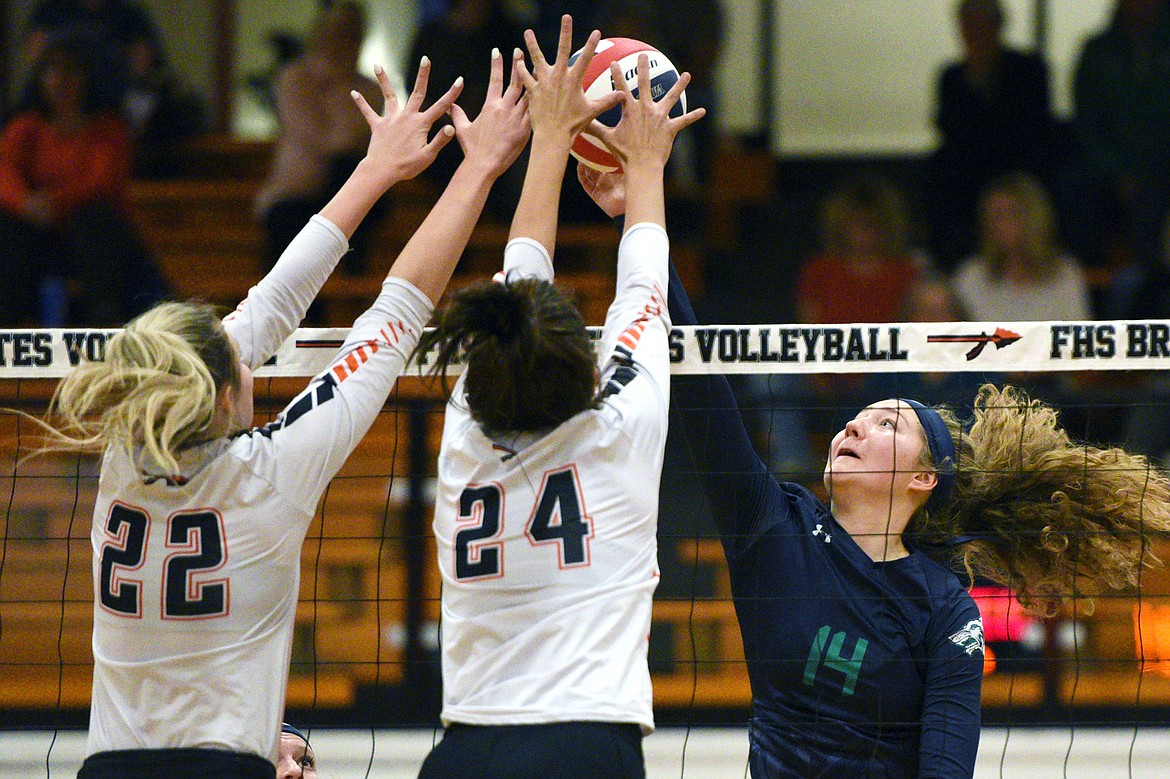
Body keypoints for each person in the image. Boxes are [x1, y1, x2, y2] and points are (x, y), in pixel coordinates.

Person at [28, 50, 529, 777]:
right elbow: (392, 315)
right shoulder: (268, 474)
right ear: (225, 393)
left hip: (109, 768)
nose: (248, 348)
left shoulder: (123, 459)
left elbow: (266, 312)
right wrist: (477, 168)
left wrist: (377, 168)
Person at [577, 166, 1170, 778]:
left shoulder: (945, 609)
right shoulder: (773, 528)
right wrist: (635, 213)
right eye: (856, 418)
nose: (854, 427)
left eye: (887, 425)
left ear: (924, 478)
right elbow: (698, 377)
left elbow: (945, 768)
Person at [414, 17, 702, 778]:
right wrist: (645, 163)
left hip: (464, 748)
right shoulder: (618, 431)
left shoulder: (465, 435)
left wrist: (551, 140)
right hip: (582, 742)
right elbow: (642, 285)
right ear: (582, 364)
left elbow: (523, 281)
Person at [0, 38, 162, 326]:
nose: (61, 80)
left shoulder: (108, 130)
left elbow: (98, 184)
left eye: (71, 71)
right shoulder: (26, 127)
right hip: (37, 237)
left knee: (94, 221)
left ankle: (103, 325)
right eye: (53, 70)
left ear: (88, 78)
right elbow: (4, 171)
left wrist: (52, 203)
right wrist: (25, 203)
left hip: (95, 242)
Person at [254, 1, 386, 276]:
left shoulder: (371, 91)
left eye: (350, 33)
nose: (341, 42)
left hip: (350, 195)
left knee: (354, 181)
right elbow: (319, 138)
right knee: (291, 226)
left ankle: (352, 291)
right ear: (319, 33)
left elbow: (350, 141)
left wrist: (338, 87)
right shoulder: (294, 79)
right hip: (295, 194)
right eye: (335, 33)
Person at [925, 0, 1058, 271]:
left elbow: (1033, 126)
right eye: (968, 25)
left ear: (998, 26)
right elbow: (949, 130)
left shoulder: (1028, 69)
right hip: (967, 173)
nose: (975, 33)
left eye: (982, 24)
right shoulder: (951, 78)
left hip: (1020, 165)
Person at [951, 171, 1092, 322]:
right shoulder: (970, 277)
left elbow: (1079, 336)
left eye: (1010, 214)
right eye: (994, 217)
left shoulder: (1064, 273)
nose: (1000, 225)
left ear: (1033, 218)